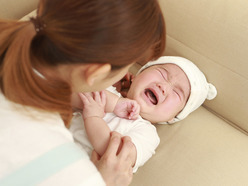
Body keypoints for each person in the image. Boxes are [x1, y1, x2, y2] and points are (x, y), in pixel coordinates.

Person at [0, 0, 166, 185]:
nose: (164, 87)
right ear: (95, 73)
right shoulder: (68, 169)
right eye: (130, 66)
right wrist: (104, 181)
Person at [70, 56, 217, 172]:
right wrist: (114, 102)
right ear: (136, 76)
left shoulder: (147, 133)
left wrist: (93, 118)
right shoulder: (108, 90)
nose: (163, 87)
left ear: (173, 117)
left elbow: (116, 157)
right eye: (162, 74)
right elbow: (65, 94)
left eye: (177, 93)